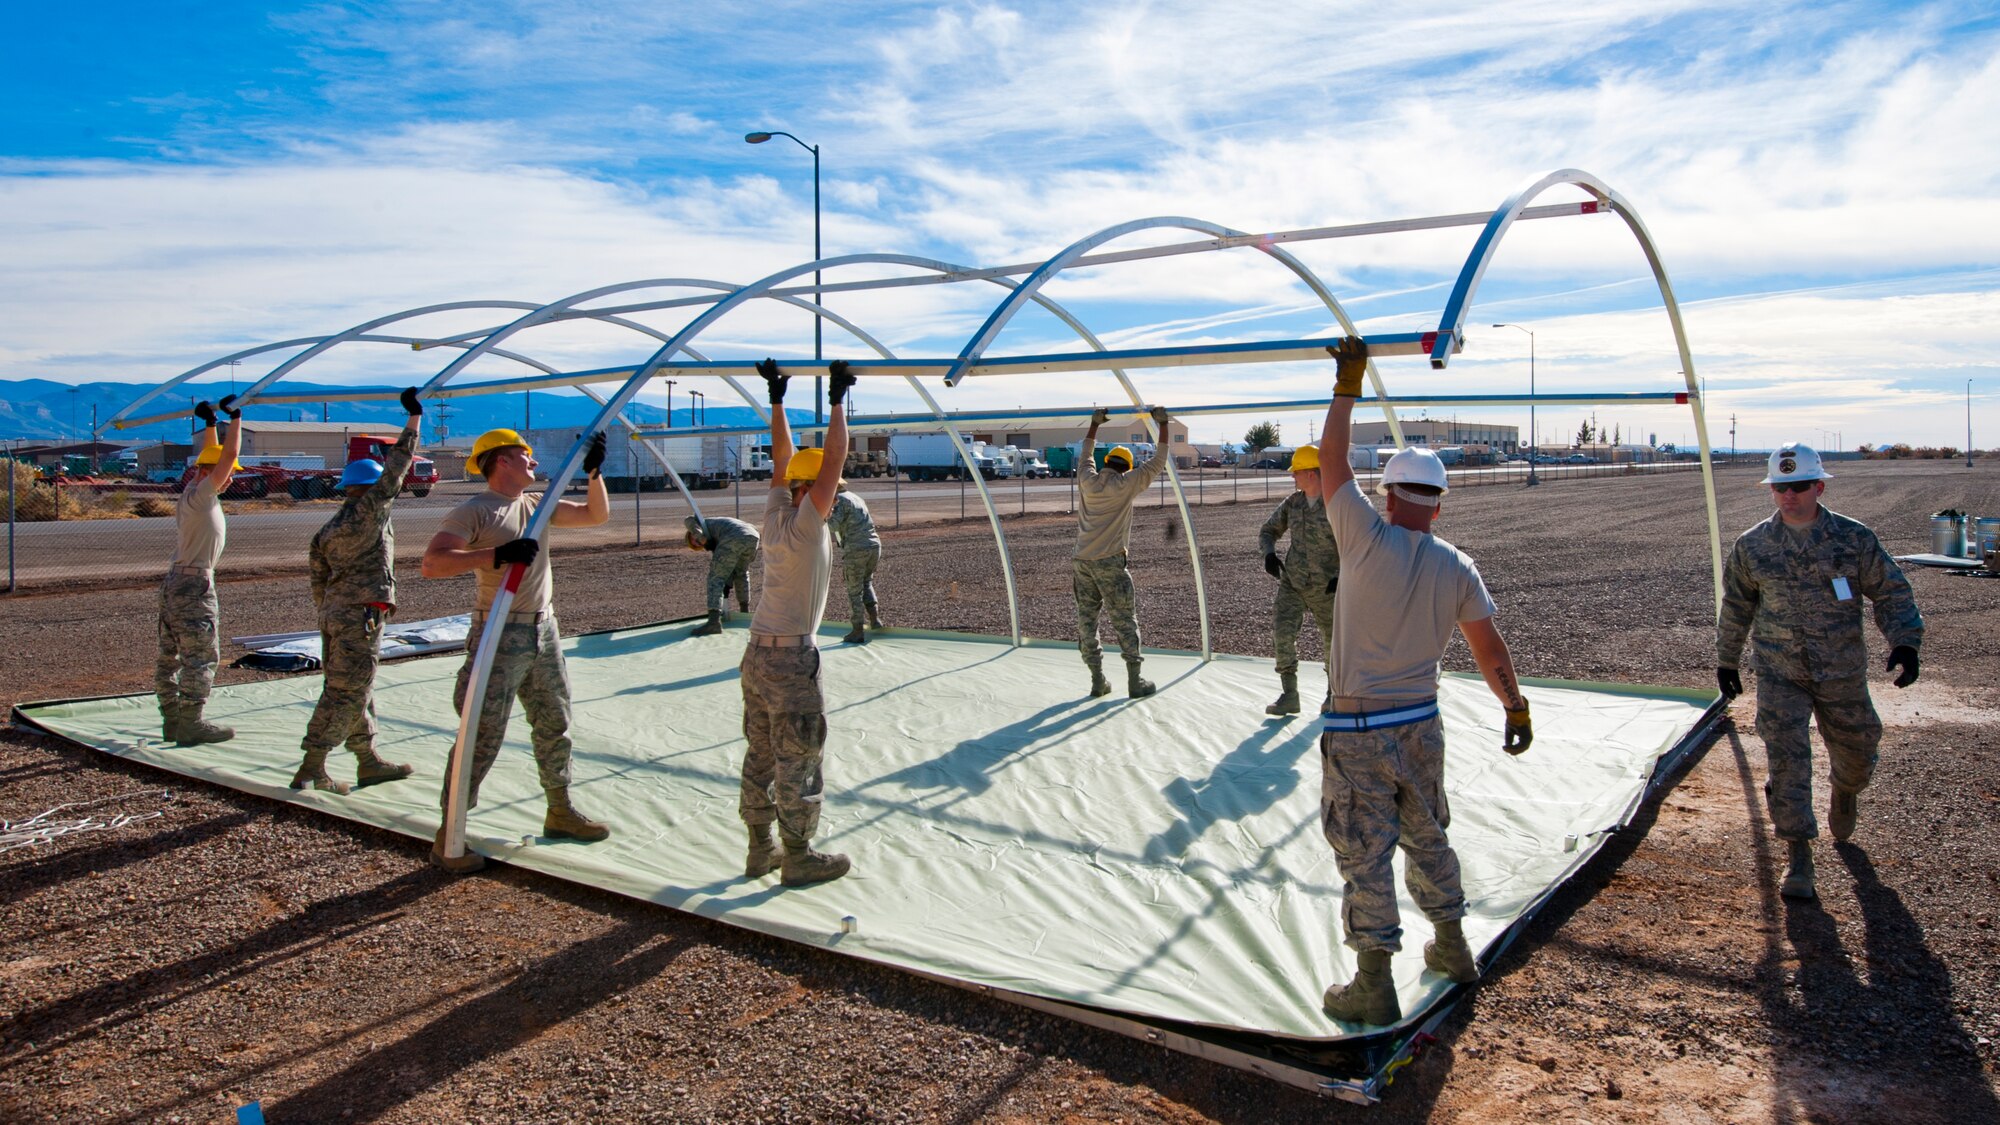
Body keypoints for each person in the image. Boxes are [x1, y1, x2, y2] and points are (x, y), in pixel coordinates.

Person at [1313, 336, 1534, 1027]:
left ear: (1387, 495)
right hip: (1421, 727)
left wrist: (1347, 383)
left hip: (1359, 730)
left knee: (1364, 850)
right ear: (1438, 504)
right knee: (1428, 833)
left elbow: (1330, 462)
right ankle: (1452, 944)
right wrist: (1515, 706)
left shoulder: (1363, 537)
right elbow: (1488, 647)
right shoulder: (1457, 565)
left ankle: (1373, 981)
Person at [1715, 441, 1922, 900]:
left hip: (1841, 671)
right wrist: (1727, 658)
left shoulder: (1854, 538)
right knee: (1788, 760)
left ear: (1819, 486)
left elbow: (1891, 592)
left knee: (1860, 746)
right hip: (1779, 670)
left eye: (1799, 486)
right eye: (1780, 487)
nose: (1789, 496)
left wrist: (1905, 642)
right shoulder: (1753, 545)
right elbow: (1736, 605)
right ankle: (1799, 856)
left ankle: (1846, 790)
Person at [421, 427, 613, 873]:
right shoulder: (475, 511)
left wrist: (595, 472)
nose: (532, 460)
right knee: (480, 734)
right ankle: (450, 833)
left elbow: (594, 516)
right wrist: (495, 555)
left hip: (542, 631)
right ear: (500, 460)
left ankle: (560, 810)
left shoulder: (536, 506)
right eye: (523, 454)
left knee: (554, 724)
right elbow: (433, 563)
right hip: (499, 635)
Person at [737, 357, 855, 887]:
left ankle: (759, 848)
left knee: (760, 752)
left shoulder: (775, 517)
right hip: (789, 658)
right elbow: (833, 457)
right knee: (799, 757)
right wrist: (836, 400)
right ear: (813, 491)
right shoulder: (808, 524)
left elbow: (784, 460)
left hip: (758, 653)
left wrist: (777, 399)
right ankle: (799, 854)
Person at [289, 388, 425, 794]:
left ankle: (367, 760)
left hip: (335, 614)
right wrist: (413, 421)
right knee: (347, 692)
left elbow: (319, 580)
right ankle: (313, 764)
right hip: (360, 615)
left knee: (355, 686)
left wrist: (332, 613)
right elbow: (397, 468)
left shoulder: (329, 529)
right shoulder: (370, 511)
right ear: (369, 489)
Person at [156, 395, 244, 746]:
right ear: (207, 474)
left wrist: (210, 424)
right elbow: (228, 457)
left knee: (170, 652)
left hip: (178, 580)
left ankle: (174, 721)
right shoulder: (202, 495)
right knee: (201, 655)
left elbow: (215, 457)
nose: (230, 480)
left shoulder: (196, 492)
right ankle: (191, 722)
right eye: (225, 476)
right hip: (194, 585)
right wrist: (235, 418)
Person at [1073, 406, 1175, 698]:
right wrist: (1163, 424)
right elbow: (1159, 459)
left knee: (1087, 622)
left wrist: (1094, 424)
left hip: (1082, 562)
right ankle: (1135, 681)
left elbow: (1086, 453)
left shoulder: (1087, 480)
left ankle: (1097, 680)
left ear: (1107, 462)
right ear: (1126, 467)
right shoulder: (1128, 484)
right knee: (1124, 621)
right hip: (1110, 563)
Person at [1259, 444, 1341, 715]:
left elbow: (1357, 544)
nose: (1293, 477)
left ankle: (1334, 695)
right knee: (1282, 633)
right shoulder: (1293, 503)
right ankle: (1289, 694)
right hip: (1292, 582)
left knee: (1332, 641)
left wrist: (1343, 575)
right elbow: (1268, 530)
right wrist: (1269, 554)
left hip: (1327, 588)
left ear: (1311, 473)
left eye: (1296, 472)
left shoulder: (1337, 504)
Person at [827, 483, 884, 645]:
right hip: (873, 544)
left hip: (856, 547)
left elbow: (833, 525)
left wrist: (824, 513)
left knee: (854, 590)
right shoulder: (855, 497)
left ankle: (857, 630)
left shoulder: (840, 500)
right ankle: (874, 619)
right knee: (866, 582)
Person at [685, 513, 759, 636]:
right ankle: (744, 614)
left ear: (690, 534)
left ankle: (713, 622)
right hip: (752, 536)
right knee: (741, 574)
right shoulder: (716, 529)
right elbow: (729, 567)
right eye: (697, 545)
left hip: (734, 535)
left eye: (694, 541)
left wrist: (700, 538)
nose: (698, 543)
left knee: (715, 578)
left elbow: (688, 519)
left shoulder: (701, 524)